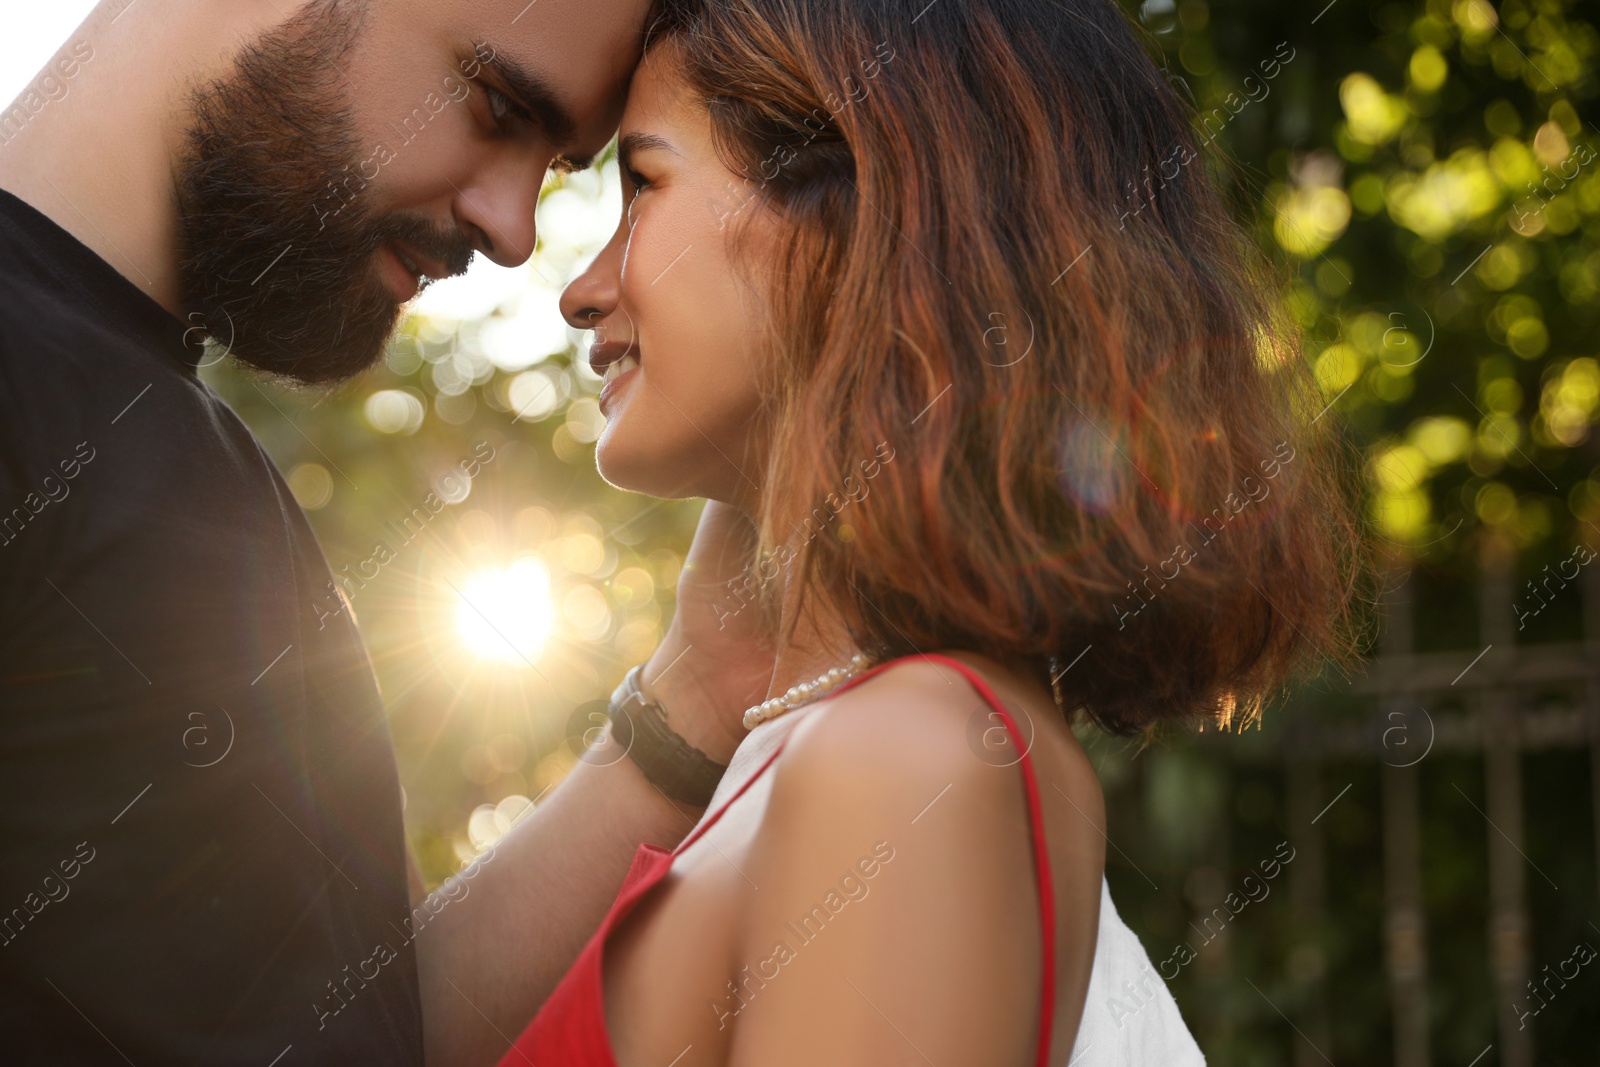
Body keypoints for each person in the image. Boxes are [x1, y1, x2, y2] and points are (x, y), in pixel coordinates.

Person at [499, 0, 1369, 1063]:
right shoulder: (847, 746)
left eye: (643, 185)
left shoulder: (899, 761)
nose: (583, 291)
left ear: (856, 213)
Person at [0, 1, 780, 1064]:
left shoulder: (207, 482)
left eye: (555, 169)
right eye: (496, 103)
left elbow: (374, 1026)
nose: (514, 229)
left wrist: (699, 684)